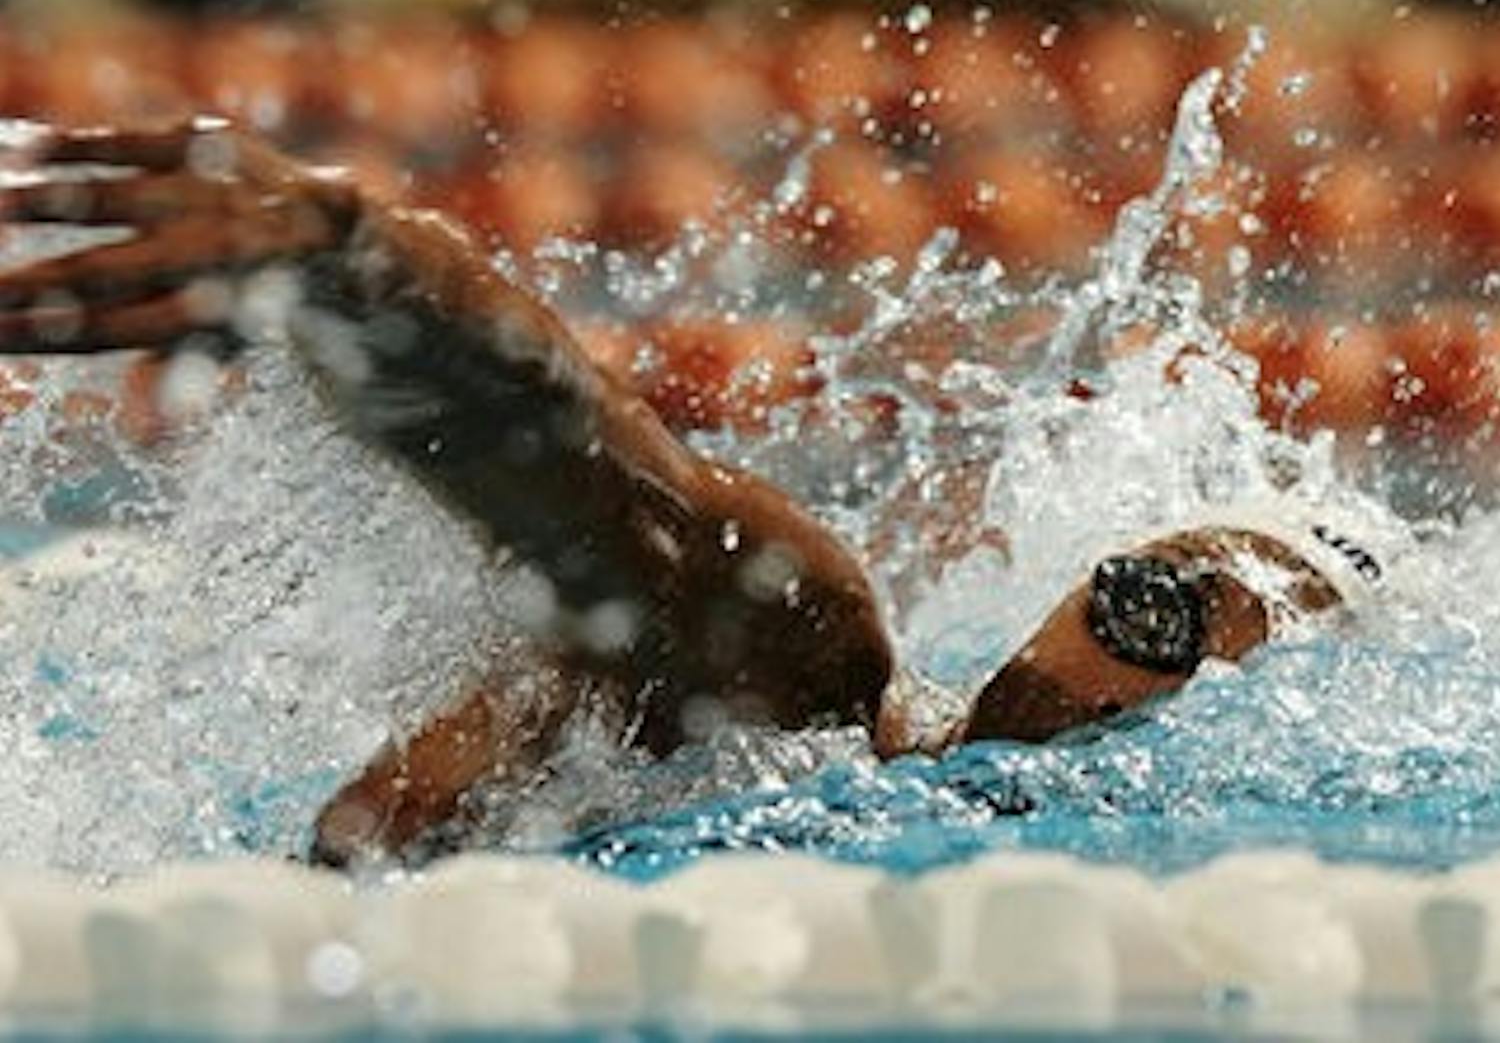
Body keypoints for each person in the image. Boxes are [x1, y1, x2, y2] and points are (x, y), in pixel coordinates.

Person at [0, 119, 1377, 865]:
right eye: (1134, 608)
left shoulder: (792, 704)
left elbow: (587, 492)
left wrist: (355, 262)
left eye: (1160, 631)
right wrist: (357, 258)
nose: (1110, 674)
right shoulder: (800, 645)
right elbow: (601, 467)